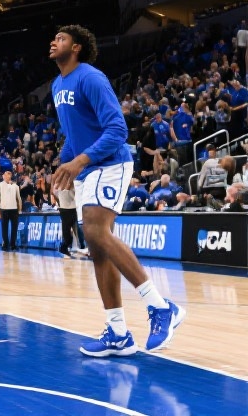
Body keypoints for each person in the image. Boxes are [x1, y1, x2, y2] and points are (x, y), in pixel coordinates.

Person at [49, 25, 184, 357]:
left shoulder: (91, 78)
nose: (53, 42)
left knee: (96, 231)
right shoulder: (57, 85)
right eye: (54, 38)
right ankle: (118, 333)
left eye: (61, 38)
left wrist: (79, 161)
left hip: (110, 164)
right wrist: (63, 166)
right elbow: (74, 135)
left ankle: (160, 306)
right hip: (86, 170)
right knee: (97, 249)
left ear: (77, 47)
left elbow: (117, 130)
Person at [0, 170, 21, 251]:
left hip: (14, 209)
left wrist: (19, 209)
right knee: (4, 227)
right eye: (6, 174)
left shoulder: (15, 186)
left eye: (9, 174)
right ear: (3, 176)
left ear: (11, 176)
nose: (8, 176)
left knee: (14, 228)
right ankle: (5, 244)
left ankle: (13, 244)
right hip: (4, 209)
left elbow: (18, 199)